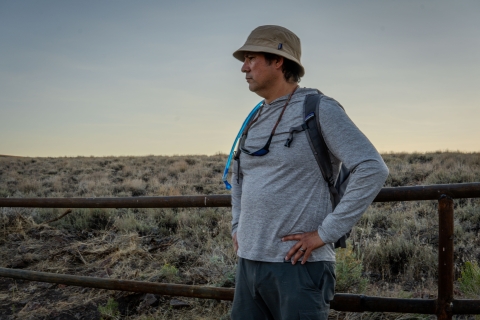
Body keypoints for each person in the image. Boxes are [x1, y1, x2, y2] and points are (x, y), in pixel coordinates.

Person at [229, 25, 389, 320]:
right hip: (248, 264)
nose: (243, 67)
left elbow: (371, 168)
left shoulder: (319, 108)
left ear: (278, 61)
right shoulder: (255, 117)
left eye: (251, 58)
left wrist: (326, 233)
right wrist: (238, 225)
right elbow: (239, 178)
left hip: (300, 267)